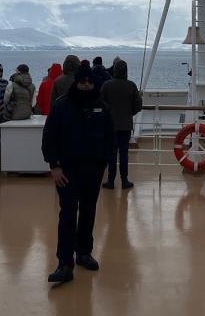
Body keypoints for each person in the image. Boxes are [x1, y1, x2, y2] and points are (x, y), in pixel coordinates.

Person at [42, 63, 114, 284]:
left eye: (90, 82)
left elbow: (109, 138)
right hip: (67, 170)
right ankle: (64, 263)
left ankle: (84, 252)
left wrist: (104, 165)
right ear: (77, 82)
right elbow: (49, 137)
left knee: (89, 211)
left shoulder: (101, 107)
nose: (86, 85)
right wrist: (53, 166)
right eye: (82, 81)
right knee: (67, 214)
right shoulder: (62, 106)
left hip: (92, 170)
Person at [100, 59, 143, 190]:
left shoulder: (107, 85)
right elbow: (138, 105)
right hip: (126, 125)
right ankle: (124, 181)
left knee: (112, 154)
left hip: (110, 126)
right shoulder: (131, 85)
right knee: (124, 154)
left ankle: (111, 181)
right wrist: (129, 113)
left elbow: (100, 104)